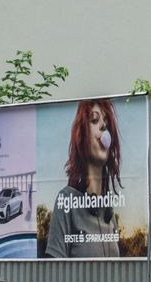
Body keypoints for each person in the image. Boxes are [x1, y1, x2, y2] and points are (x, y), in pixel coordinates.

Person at [45, 99, 122, 258]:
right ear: (82, 136)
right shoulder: (66, 200)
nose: (103, 126)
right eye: (95, 120)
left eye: (106, 121)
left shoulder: (109, 215)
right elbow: (53, 274)